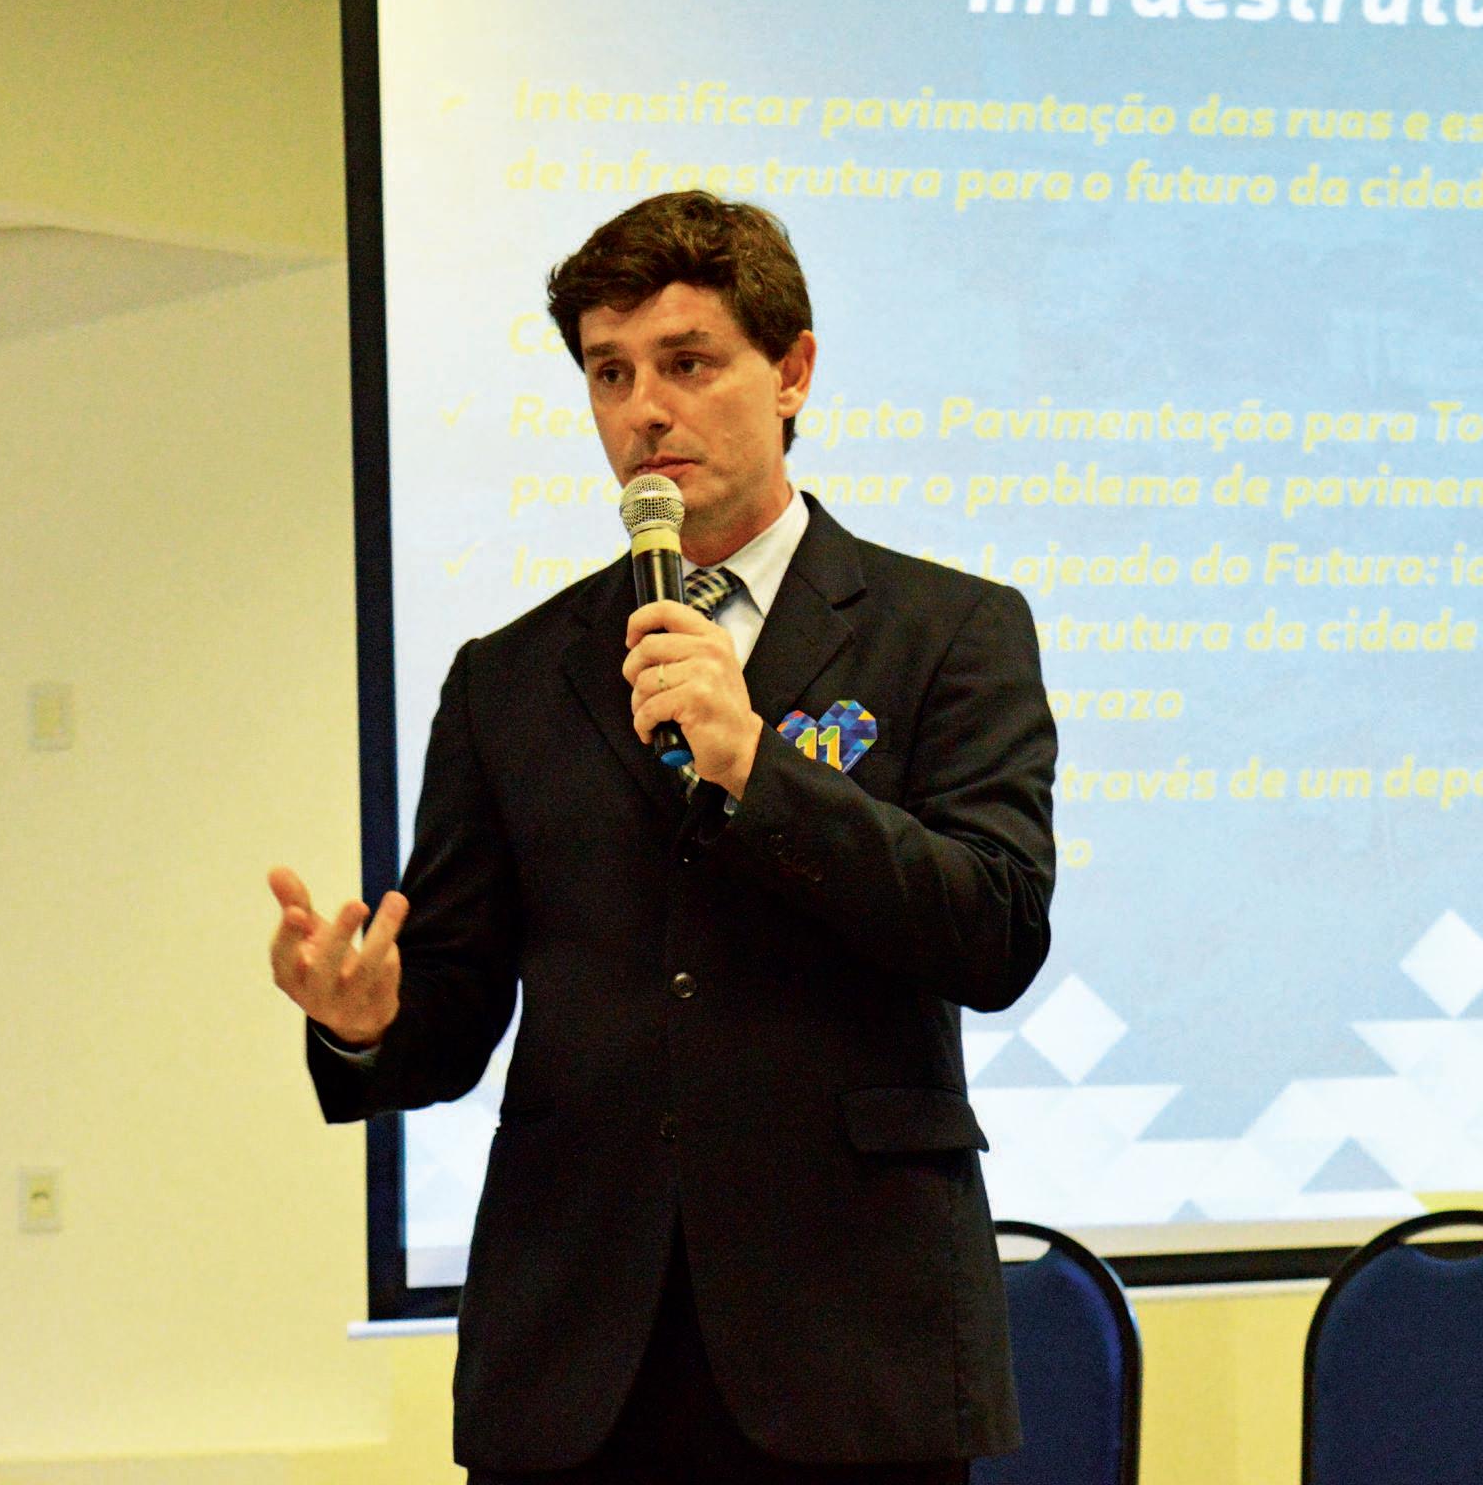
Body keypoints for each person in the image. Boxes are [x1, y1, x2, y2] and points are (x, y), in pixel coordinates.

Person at [265, 191, 1056, 1483]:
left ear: (792, 373)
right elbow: (452, 1014)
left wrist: (757, 770)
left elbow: (995, 931)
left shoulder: (948, 632)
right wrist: (365, 1020)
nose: (644, 410)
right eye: (610, 373)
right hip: (576, 1350)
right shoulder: (510, 677)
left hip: (850, 1340)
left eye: (688, 363)